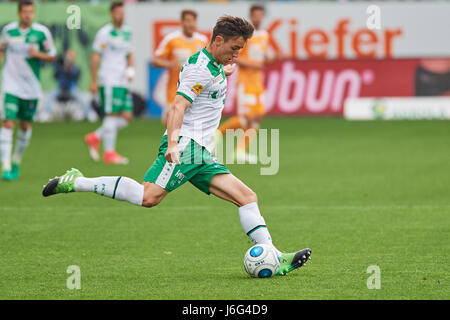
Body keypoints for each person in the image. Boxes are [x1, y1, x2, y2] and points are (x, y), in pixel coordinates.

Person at [42, 16, 311, 276]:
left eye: (240, 49)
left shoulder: (213, 64)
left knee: (247, 197)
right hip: (186, 146)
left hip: (201, 152)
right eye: (234, 48)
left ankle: (276, 258)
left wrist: (225, 67)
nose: (237, 54)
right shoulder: (200, 68)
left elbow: (212, 75)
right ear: (218, 40)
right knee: (148, 197)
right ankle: (77, 182)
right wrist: (172, 143)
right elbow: (178, 106)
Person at [0, 0, 56, 180]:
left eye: (31, 12)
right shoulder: (8, 31)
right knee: (8, 121)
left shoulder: (41, 33)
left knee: (25, 125)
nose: (28, 15)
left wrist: (37, 54)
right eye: (25, 12)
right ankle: (6, 165)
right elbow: (2, 49)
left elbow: (53, 56)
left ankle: (16, 160)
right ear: (18, 13)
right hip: (10, 84)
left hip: (31, 87)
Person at [84, 1, 135, 164]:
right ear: (111, 14)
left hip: (122, 81)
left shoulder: (127, 32)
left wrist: (130, 70)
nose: (120, 16)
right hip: (109, 80)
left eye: (122, 12)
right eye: (117, 13)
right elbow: (95, 56)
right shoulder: (104, 33)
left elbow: (130, 54)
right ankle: (109, 153)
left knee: (127, 116)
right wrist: (93, 80)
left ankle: (95, 136)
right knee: (111, 115)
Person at [217, 4, 269, 163]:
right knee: (246, 117)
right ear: (251, 16)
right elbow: (236, 56)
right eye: (255, 15)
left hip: (258, 82)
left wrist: (269, 59)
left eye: (260, 15)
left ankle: (240, 151)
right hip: (245, 82)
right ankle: (217, 134)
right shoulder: (244, 37)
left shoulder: (265, 35)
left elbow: (263, 57)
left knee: (257, 117)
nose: (257, 18)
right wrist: (254, 64)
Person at [152, 9, 208, 124]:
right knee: (172, 125)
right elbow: (156, 60)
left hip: (195, 91)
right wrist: (170, 64)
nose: (190, 24)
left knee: (190, 128)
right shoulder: (171, 39)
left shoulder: (202, 41)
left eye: (193, 21)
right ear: (182, 22)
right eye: (187, 21)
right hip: (175, 91)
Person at [41, 49, 97, 122]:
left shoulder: (76, 67)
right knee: (50, 95)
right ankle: (45, 113)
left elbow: (76, 76)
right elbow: (55, 76)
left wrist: (68, 68)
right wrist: (62, 67)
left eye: (70, 56)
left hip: (71, 89)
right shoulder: (60, 66)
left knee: (81, 97)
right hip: (60, 89)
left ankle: (90, 113)